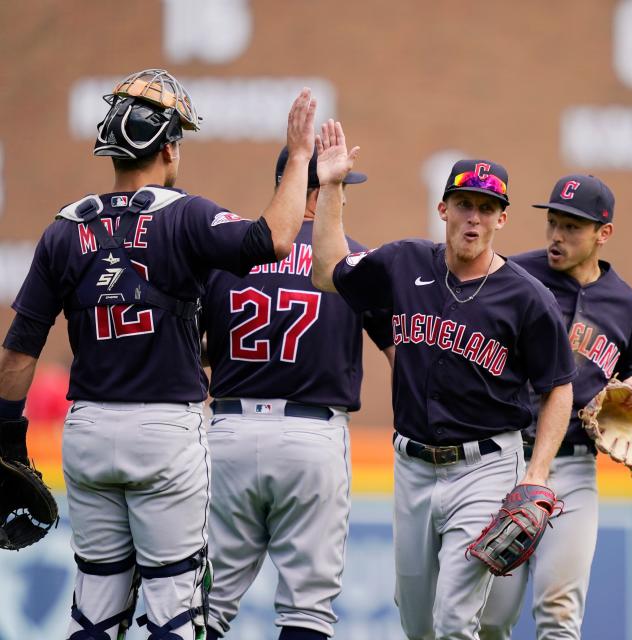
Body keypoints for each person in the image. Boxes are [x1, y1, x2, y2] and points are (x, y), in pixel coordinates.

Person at [0, 68, 319, 640]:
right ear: (169, 148)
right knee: (174, 609)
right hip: (165, 430)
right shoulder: (184, 214)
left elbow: (20, 350)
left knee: (95, 607)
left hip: (89, 428)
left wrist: (1, 434)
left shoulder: (63, 230)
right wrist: (298, 157)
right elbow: (272, 239)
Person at [308, 130, 576, 640]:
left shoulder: (527, 297)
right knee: (416, 624)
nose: (473, 217)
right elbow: (327, 273)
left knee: (454, 621)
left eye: (486, 207)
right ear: (443, 208)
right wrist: (332, 190)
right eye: (464, 204)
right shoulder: (404, 261)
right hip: (411, 466)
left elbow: (558, 387)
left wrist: (537, 475)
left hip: (486, 466)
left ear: (503, 218)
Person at [201, 147, 395, 640]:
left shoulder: (228, 259)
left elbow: (194, 350)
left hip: (228, 433)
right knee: (307, 608)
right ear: (319, 192)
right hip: (311, 437)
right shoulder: (353, 262)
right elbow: (403, 357)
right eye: (340, 187)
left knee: (205, 601)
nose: (344, 197)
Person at [477, 174, 632, 640]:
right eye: (553, 223)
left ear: (604, 233)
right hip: (507, 460)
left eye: (572, 227)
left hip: (574, 472)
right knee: (490, 617)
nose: (558, 236)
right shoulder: (513, 276)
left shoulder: (626, 304)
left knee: (559, 614)